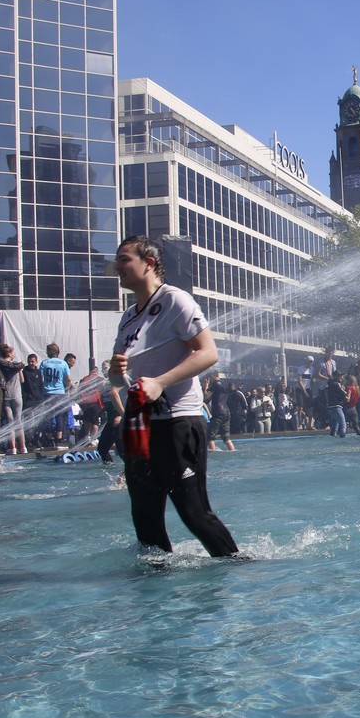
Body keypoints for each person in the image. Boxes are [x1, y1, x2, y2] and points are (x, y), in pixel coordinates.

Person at [108, 235, 239, 558]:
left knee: (194, 514)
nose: (117, 267)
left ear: (148, 263)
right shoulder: (129, 316)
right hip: (142, 426)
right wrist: (114, 370)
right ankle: (156, 584)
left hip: (178, 421)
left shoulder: (175, 300)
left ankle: (237, 566)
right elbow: (117, 378)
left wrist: (160, 382)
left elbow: (208, 353)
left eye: (124, 259)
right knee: (145, 519)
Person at [40, 343, 73, 448]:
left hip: (47, 392)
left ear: (49, 352)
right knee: (60, 416)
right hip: (59, 392)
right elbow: (69, 379)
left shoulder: (44, 363)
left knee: (48, 416)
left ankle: (50, 439)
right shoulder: (63, 363)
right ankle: (59, 440)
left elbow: (41, 378)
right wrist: (67, 391)